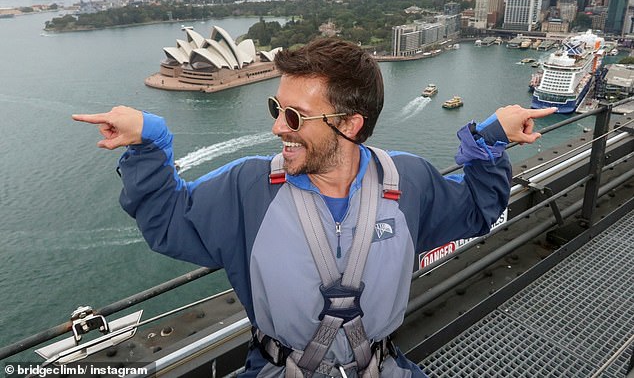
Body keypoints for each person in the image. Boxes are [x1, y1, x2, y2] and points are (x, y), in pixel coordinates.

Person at [73, 37, 555, 377]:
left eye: (295, 116)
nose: (278, 128)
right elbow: (169, 223)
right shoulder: (249, 188)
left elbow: (475, 212)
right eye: (275, 108)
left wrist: (489, 142)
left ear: (349, 123)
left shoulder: (407, 181)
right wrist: (149, 146)